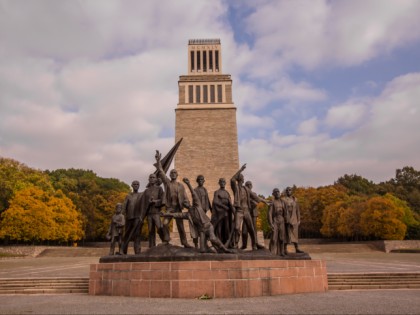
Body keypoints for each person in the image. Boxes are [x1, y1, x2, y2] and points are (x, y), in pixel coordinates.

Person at [161, 178, 232, 253]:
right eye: (184, 204)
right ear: (185, 206)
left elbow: (193, 194)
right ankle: (210, 249)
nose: (186, 204)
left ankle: (225, 249)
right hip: (202, 230)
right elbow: (176, 215)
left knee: (212, 238)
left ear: (189, 203)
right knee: (202, 250)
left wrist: (188, 184)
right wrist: (165, 214)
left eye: (187, 202)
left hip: (208, 226)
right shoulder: (187, 214)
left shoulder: (197, 205)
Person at [155, 150, 193, 248]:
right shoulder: (167, 183)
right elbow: (161, 171)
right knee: (165, 224)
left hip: (178, 208)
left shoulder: (181, 186)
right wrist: (159, 161)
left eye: (174, 173)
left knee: (180, 227)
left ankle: (184, 243)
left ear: (177, 175)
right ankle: (166, 240)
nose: (173, 174)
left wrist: (189, 206)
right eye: (171, 173)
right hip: (169, 208)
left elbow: (185, 198)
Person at [230, 164, 263, 250]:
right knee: (237, 227)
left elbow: (256, 197)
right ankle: (236, 244)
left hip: (246, 210)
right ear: (239, 179)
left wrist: (265, 201)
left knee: (251, 228)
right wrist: (240, 169)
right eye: (242, 178)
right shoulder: (236, 187)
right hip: (239, 211)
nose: (243, 179)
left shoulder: (246, 189)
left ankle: (254, 244)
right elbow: (232, 179)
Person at [137, 173, 167, 248]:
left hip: (156, 212)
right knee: (150, 231)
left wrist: (155, 201)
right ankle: (151, 246)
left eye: (153, 177)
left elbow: (163, 200)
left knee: (159, 228)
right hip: (149, 213)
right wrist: (142, 216)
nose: (152, 179)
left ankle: (165, 241)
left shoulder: (159, 188)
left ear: (156, 179)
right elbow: (143, 204)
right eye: (150, 177)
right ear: (149, 179)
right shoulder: (146, 191)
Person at [241, 181, 268, 249]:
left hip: (253, 214)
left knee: (253, 230)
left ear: (252, 186)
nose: (249, 186)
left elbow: (256, 202)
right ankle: (244, 245)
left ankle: (254, 245)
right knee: (244, 231)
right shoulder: (243, 194)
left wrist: (252, 201)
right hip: (246, 214)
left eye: (250, 184)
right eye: (247, 185)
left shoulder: (254, 194)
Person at [211, 178, 234, 246]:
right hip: (219, 213)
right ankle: (219, 243)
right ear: (219, 183)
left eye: (224, 182)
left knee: (227, 228)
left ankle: (227, 243)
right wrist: (223, 206)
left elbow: (230, 203)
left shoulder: (227, 192)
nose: (222, 183)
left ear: (225, 183)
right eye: (221, 182)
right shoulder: (217, 192)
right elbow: (215, 201)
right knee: (219, 228)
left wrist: (234, 212)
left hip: (226, 213)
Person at [121, 180, 142, 254]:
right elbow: (124, 207)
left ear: (139, 186)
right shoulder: (128, 196)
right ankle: (123, 251)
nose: (136, 185)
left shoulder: (141, 195)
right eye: (134, 184)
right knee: (126, 234)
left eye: (137, 184)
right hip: (129, 217)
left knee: (137, 235)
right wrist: (121, 216)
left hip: (137, 218)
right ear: (132, 185)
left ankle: (137, 252)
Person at [283, 187, 304, 254]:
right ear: (286, 192)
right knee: (286, 234)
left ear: (291, 191)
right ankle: (284, 249)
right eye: (287, 190)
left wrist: (299, 219)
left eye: (290, 190)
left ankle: (297, 248)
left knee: (295, 234)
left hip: (294, 219)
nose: (289, 191)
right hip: (286, 219)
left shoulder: (295, 199)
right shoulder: (283, 200)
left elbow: (297, 210)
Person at [268, 188, 286, 256]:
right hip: (275, 220)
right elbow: (269, 213)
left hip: (281, 220)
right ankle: (272, 252)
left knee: (281, 238)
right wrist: (271, 223)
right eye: (276, 192)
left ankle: (281, 252)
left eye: (278, 192)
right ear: (273, 194)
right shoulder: (272, 201)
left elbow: (286, 212)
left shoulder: (282, 202)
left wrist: (287, 221)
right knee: (274, 238)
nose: (277, 193)